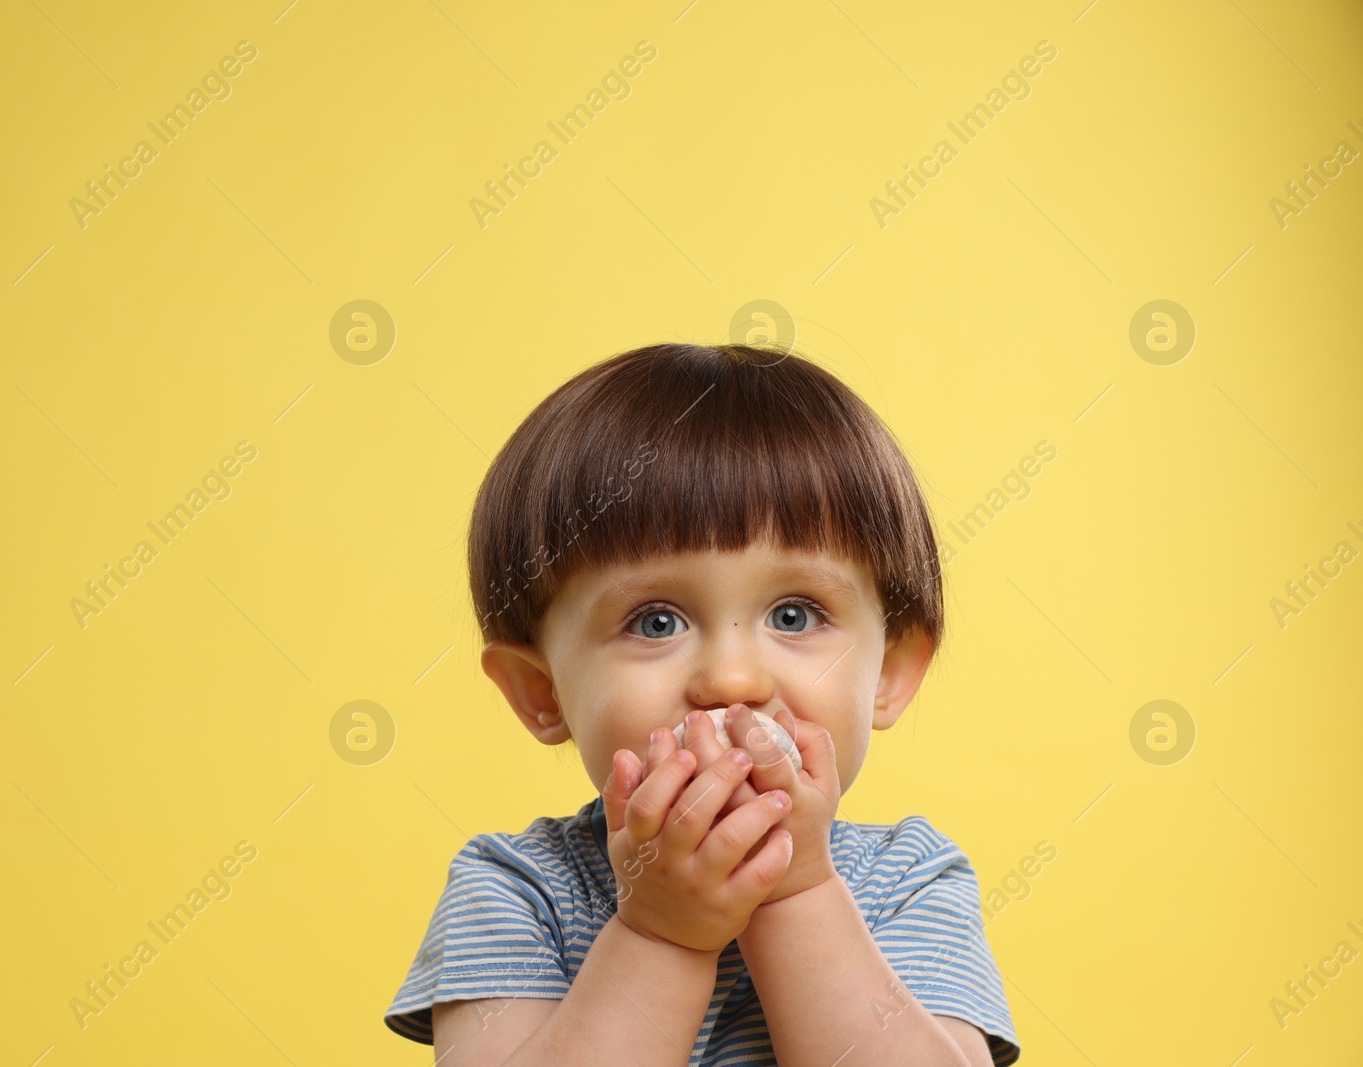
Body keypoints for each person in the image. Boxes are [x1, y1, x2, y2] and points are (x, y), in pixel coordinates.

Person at [383, 342, 1021, 1065]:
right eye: (656, 621)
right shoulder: (517, 890)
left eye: (794, 614)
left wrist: (797, 892)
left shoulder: (909, 880)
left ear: (890, 672)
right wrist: (659, 934)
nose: (732, 679)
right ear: (542, 691)